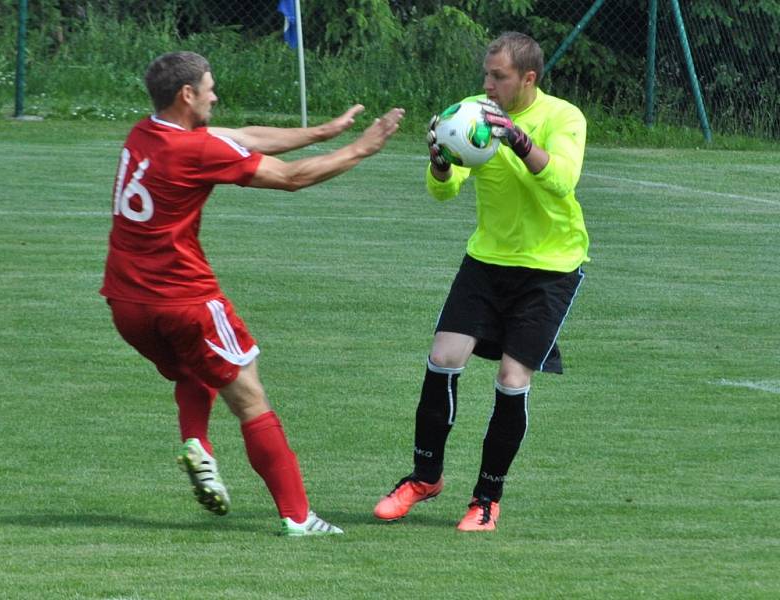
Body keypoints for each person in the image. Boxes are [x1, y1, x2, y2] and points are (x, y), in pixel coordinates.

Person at [101, 51, 404, 536]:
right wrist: (360, 149)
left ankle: (196, 443)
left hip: (125, 303)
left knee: (192, 369)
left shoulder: (145, 132)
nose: (215, 95)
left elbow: (243, 138)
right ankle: (299, 517)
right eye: (209, 87)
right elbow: (290, 178)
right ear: (187, 95)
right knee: (250, 399)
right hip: (184, 301)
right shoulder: (195, 151)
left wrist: (323, 132)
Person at [373, 32, 588, 532]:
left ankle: (486, 501)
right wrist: (440, 163)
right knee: (443, 358)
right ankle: (424, 478)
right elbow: (444, 193)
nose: (487, 85)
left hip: (551, 267)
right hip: (487, 261)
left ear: (528, 79)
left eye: (499, 77)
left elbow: (562, 181)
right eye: (486, 74)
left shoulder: (563, 117)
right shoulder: (471, 111)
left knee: (512, 380)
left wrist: (516, 139)